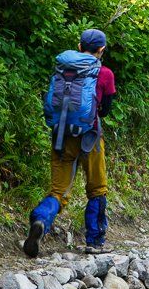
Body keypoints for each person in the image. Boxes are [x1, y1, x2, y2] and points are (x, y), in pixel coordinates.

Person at [24, 29, 117, 257]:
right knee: (97, 188)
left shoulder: (62, 69)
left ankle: (40, 222)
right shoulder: (104, 74)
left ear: (79, 45)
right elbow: (105, 109)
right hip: (90, 138)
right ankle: (94, 241)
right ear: (101, 49)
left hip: (61, 136)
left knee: (58, 191)